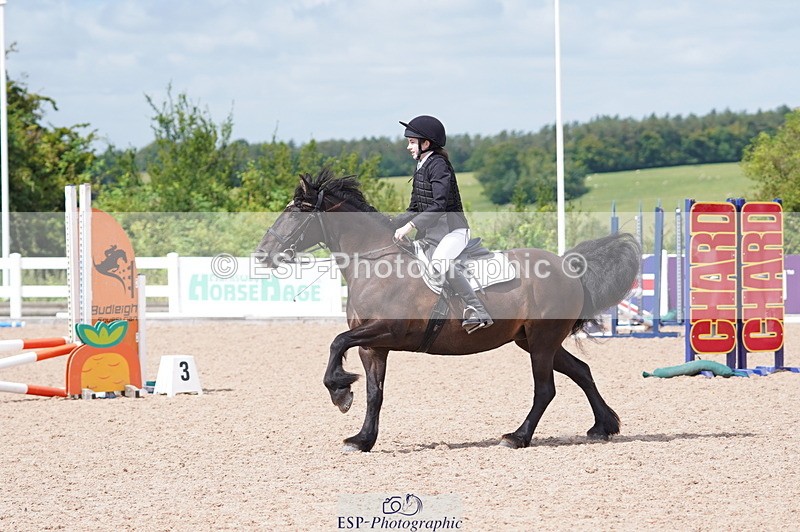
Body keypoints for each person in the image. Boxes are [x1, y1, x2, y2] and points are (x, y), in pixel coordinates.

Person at [392, 115, 493, 333]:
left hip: (454, 230)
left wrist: (409, 227)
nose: (408, 146)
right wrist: (389, 223)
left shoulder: (438, 165)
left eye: (411, 141)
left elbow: (438, 205)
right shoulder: (421, 166)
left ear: (425, 143)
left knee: (439, 262)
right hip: (432, 234)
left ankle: (478, 310)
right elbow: (414, 208)